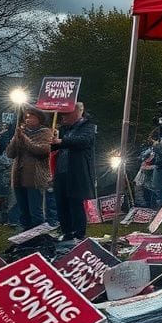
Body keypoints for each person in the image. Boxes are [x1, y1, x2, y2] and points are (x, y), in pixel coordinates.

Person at [50, 101, 96, 241]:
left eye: (67, 113)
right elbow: (56, 147)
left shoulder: (89, 127)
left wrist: (60, 142)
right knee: (61, 202)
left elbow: (82, 141)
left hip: (77, 172)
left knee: (75, 202)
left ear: (77, 112)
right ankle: (66, 232)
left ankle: (79, 233)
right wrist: (51, 142)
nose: (63, 117)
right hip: (62, 172)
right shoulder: (65, 129)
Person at [6, 107, 53, 229]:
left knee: (35, 211)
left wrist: (24, 138)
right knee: (23, 211)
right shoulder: (21, 133)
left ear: (38, 119)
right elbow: (10, 153)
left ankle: (39, 237)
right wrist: (16, 138)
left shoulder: (45, 132)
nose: (27, 119)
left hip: (35, 178)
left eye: (31, 117)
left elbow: (42, 150)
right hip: (19, 177)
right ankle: (25, 236)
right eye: (26, 117)